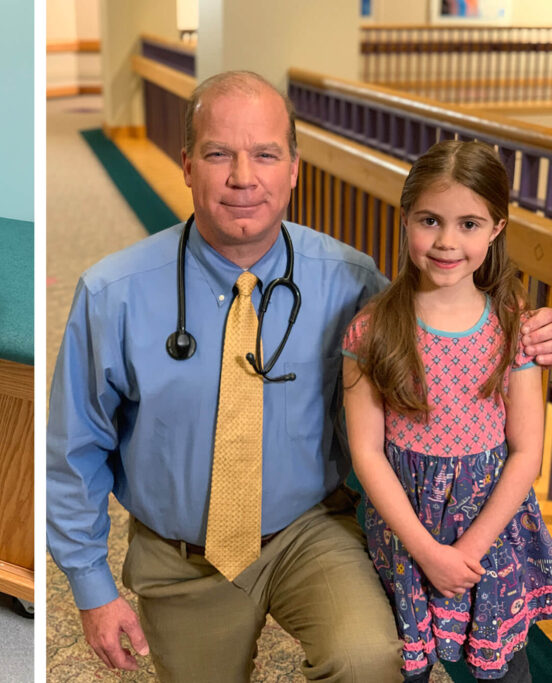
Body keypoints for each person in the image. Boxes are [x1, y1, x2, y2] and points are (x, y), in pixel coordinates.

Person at [46, 70, 552, 682]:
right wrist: (90, 587)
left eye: (265, 154)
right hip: (181, 551)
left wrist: (536, 330)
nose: (243, 178)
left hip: (310, 529)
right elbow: (72, 451)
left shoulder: (350, 279)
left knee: (369, 659)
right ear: (186, 165)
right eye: (217, 154)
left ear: (293, 168)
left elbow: (444, 318)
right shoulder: (112, 293)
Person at [343, 140, 552, 682]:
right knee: (402, 665)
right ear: (406, 216)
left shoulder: (514, 326)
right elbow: (366, 452)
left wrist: (470, 548)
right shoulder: (372, 329)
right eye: (430, 220)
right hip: (405, 528)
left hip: (491, 529)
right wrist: (428, 552)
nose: (445, 242)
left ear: (497, 230)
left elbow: (528, 450)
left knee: (504, 670)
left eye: (469, 224)